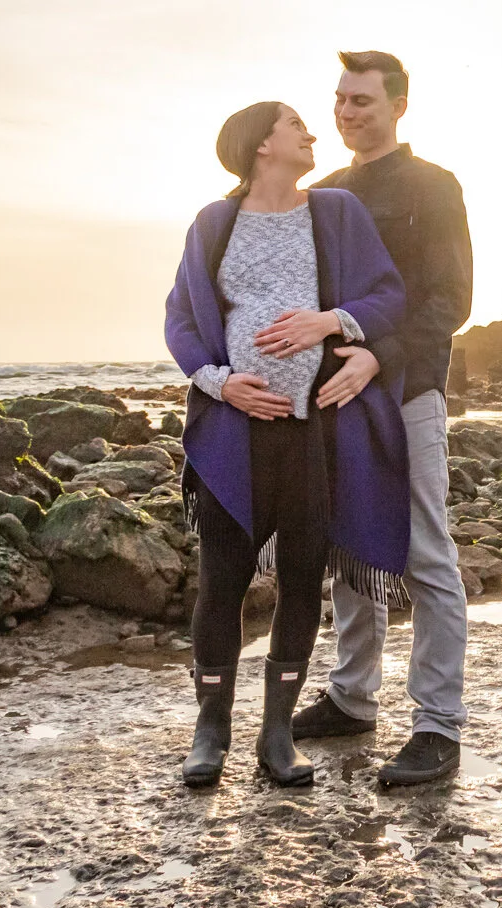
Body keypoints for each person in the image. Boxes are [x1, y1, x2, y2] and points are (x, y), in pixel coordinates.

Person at [163, 100, 410, 788]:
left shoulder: (335, 213)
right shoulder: (215, 223)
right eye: (294, 123)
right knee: (222, 580)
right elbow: (181, 316)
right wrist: (218, 382)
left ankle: (277, 733)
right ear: (260, 144)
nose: (309, 132)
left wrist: (335, 322)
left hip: (313, 431)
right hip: (231, 434)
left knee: (304, 577)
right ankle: (210, 729)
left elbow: (389, 297)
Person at [291, 50, 475, 787]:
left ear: (398, 106)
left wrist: (381, 356)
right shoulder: (324, 191)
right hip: (337, 395)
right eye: (339, 98)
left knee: (427, 553)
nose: (346, 111)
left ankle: (437, 725)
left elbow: (449, 298)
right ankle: (351, 694)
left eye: (362, 99)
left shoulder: (434, 185)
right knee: (348, 546)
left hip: (407, 391)